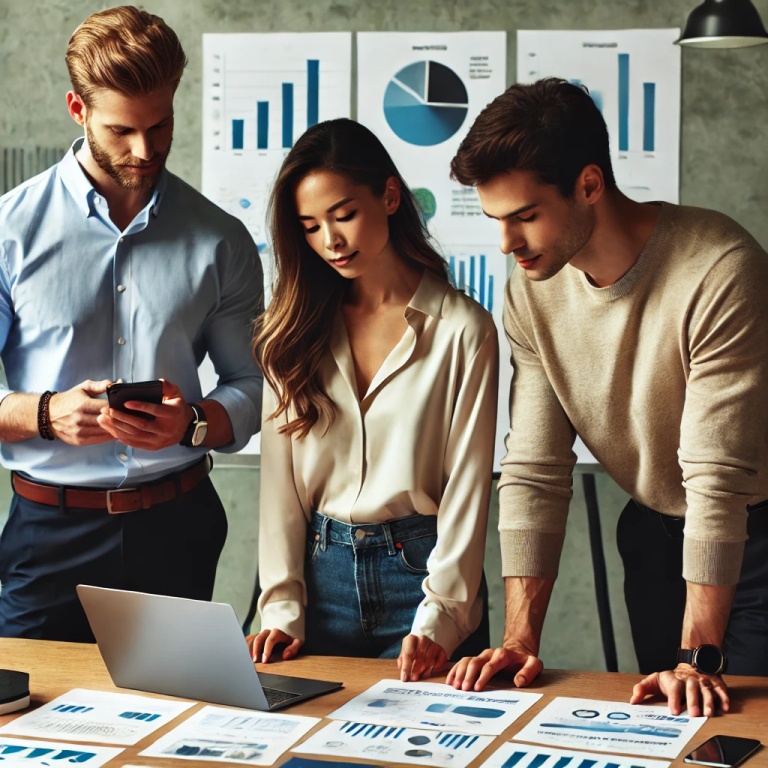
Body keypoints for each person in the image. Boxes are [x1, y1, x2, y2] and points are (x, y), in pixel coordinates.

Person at [445, 78, 768, 716]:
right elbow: (535, 468)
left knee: (736, 735)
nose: (507, 245)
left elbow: (716, 479)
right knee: (669, 728)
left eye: (525, 216)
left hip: (756, 537)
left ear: (589, 184)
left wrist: (697, 656)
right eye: (495, 221)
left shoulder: (720, 268)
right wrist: (518, 639)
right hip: (652, 535)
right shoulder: (531, 290)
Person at [0, 6, 263, 641]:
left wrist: (192, 422)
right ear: (77, 108)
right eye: (122, 130)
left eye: (161, 124)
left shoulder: (221, 240)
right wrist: (45, 414)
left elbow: (252, 384)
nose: (145, 151)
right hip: (47, 534)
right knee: (21, 723)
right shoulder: (8, 232)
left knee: (177, 728)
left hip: (178, 525)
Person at [249, 118, 498, 681]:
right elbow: (280, 488)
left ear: (388, 196)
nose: (330, 240)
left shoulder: (463, 330)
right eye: (310, 226)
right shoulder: (290, 333)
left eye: (343, 215)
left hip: (425, 578)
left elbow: (468, 487)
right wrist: (282, 607)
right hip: (319, 582)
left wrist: (441, 620)